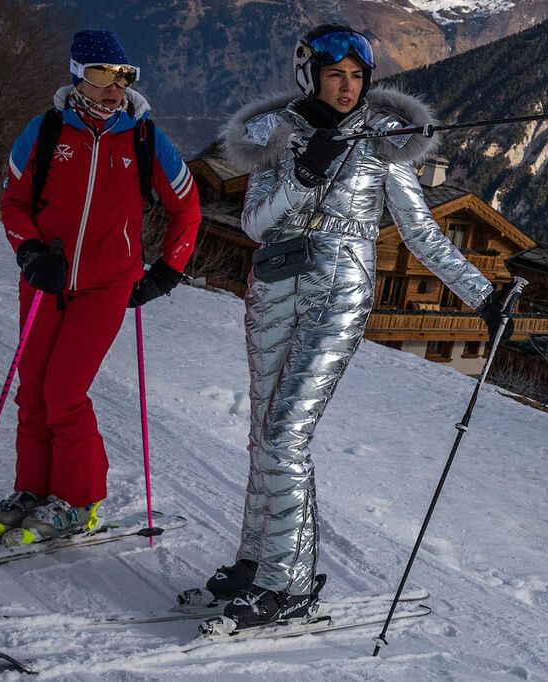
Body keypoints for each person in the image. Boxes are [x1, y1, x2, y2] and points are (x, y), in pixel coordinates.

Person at [207, 24, 520, 629]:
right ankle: (254, 563)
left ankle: (288, 582)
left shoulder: (383, 143)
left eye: (357, 76)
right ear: (311, 76)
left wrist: (483, 294)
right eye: (335, 75)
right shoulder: (282, 135)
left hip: (339, 296)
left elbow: (421, 231)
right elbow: (252, 223)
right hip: (272, 292)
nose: (348, 87)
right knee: (261, 435)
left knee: (284, 437)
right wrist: (302, 175)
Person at [0, 29, 201, 547]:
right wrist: (29, 252)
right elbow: (14, 204)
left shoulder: (144, 139)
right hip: (45, 281)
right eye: (101, 76)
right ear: (77, 77)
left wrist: (167, 270)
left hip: (106, 287)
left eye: (123, 77)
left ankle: (78, 503)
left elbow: (187, 208)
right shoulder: (45, 131)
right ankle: (33, 492)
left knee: (63, 391)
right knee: (32, 390)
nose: (113, 88)